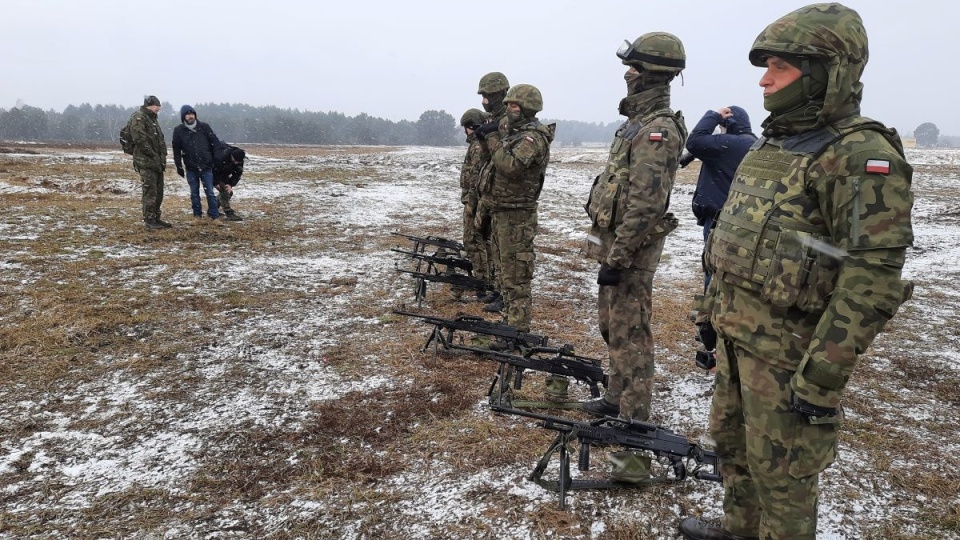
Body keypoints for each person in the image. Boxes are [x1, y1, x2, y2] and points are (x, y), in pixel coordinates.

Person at [679, 4, 914, 539]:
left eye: (779, 68)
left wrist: (823, 376)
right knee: (733, 449)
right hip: (739, 339)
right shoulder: (772, 147)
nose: (764, 81)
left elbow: (872, 279)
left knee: (784, 478)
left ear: (823, 71)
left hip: (790, 356)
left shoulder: (859, 155)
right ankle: (741, 528)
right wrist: (710, 314)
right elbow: (732, 240)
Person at [580, 32, 687, 425]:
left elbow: (646, 202)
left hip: (631, 253)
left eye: (634, 67)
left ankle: (635, 418)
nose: (628, 73)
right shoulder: (636, 124)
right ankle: (614, 397)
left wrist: (620, 255)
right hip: (616, 248)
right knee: (612, 327)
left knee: (632, 336)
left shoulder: (658, 130)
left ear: (652, 74)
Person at [473, 84, 555, 335]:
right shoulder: (512, 134)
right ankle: (510, 322)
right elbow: (492, 162)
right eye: (508, 104)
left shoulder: (532, 138)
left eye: (515, 105)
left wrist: (492, 137)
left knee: (516, 277)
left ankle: (518, 332)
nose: (509, 109)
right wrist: (486, 139)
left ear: (529, 108)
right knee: (505, 275)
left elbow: (510, 166)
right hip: (502, 211)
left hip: (518, 216)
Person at [474, 72, 510, 313]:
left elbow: (505, 160)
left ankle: (505, 295)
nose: (485, 100)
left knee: (506, 252)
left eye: (489, 96)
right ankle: (498, 289)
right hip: (490, 193)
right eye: (483, 96)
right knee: (495, 245)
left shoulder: (508, 121)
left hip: (505, 195)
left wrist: (492, 134)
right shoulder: (492, 119)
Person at [457, 108, 490, 301]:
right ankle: (485, 281)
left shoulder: (478, 146)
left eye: (466, 127)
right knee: (479, 242)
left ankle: (482, 282)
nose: (465, 132)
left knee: (474, 242)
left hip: (475, 202)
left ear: (472, 127)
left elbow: (477, 178)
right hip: (474, 201)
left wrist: (471, 203)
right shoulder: (477, 145)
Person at [172, 105, 222, 220]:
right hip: (191, 168)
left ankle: (214, 216)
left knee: (210, 192)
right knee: (194, 193)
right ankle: (197, 216)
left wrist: (216, 159)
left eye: (192, 114)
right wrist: (178, 165)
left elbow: (215, 143)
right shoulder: (178, 130)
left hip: (206, 166)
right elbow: (176, 149)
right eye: (188, 114)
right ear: (183, 116)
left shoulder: (204, 127)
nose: (190, 116)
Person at [127, 95, 170, 230]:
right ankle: (149, 219)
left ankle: (156, 217)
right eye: (157, 106)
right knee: (150, 191)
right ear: (150, 105)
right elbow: (140, 140)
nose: (159, 108)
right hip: (146, 161)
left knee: (158, 191)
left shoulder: (153, 120)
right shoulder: (139, 117)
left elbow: (159, 140)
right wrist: (152, 154)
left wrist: (162, 156)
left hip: (156, 162)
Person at [213, 146, 246, 221]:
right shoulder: (221, 157)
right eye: (235, 161)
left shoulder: (239, 160)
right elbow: (213, 170)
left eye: (238, 162)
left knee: (229, 192)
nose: (236, 163)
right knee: (224, 192)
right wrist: (216, 182)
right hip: (213, 174)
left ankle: (212, 209)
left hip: (223, 175)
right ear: (231, 156)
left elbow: (237, 174)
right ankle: (229, 213)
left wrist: (230, 184)